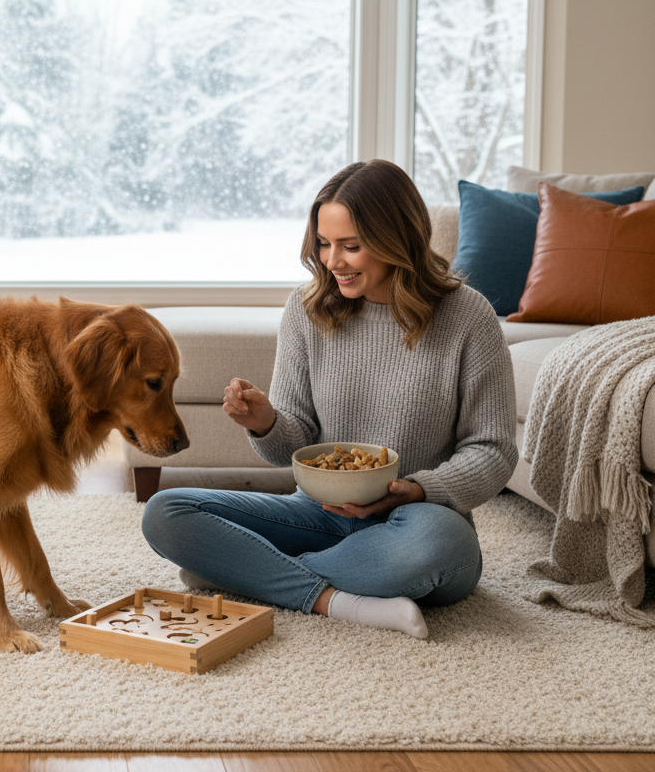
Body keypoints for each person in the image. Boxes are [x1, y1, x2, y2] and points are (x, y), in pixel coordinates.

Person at [141, 159, 517, 638]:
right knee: (166, 513)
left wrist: (418, 488)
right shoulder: (306, 310)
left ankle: (245, 572)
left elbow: (493, 449)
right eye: (323, 243)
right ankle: (334, 599)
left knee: (443, 546)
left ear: (398, 239)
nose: (332, 260)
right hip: (318, 514)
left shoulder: (468, 316)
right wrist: (266, 423)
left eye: (351, 246)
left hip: (416, 522)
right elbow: (293, 443)